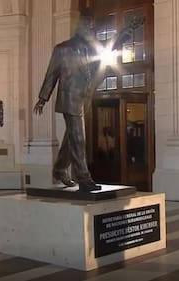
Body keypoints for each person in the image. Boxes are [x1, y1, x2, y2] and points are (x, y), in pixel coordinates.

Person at [33, 15, 105, 192]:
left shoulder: (93, 50)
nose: (92, 30)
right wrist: (43, 98)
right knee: (79, 138)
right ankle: (84, 178)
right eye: (89, 27)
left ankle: (59, 169)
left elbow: (96, 72)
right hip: (69, 99)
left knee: (71, 138)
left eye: (93, 27)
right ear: (80, 28)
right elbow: (52, 74)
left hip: (84, 99)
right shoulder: (63, 49)